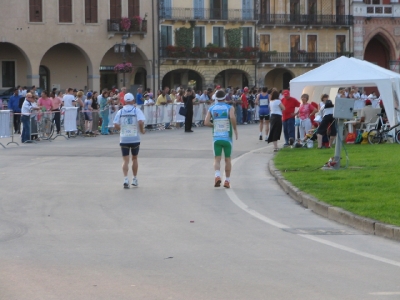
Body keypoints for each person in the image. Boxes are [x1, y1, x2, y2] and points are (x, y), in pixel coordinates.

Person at [204, 90, 238, 189]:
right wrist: (235, 128)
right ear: (225, 97)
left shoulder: (212, 108)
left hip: (216, 138)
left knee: (217, 159)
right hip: (227, 137)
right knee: (228, 159)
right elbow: (232, 117)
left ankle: (217, 175)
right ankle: (227, 180)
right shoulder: (230, 107)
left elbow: (206, 122)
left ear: (216, 98)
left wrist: (213, 126)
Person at [113, 93, 146, 188]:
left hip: (124, 138)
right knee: (134, 158)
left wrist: (122, 129)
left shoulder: (121, 111)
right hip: (135, 137)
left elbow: (115, 124)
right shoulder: (136, 110)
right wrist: (142, 130)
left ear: (124, 101)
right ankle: (134, 178)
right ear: (132, 101)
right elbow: (140, 121)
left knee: (125, 159)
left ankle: (125, 178)